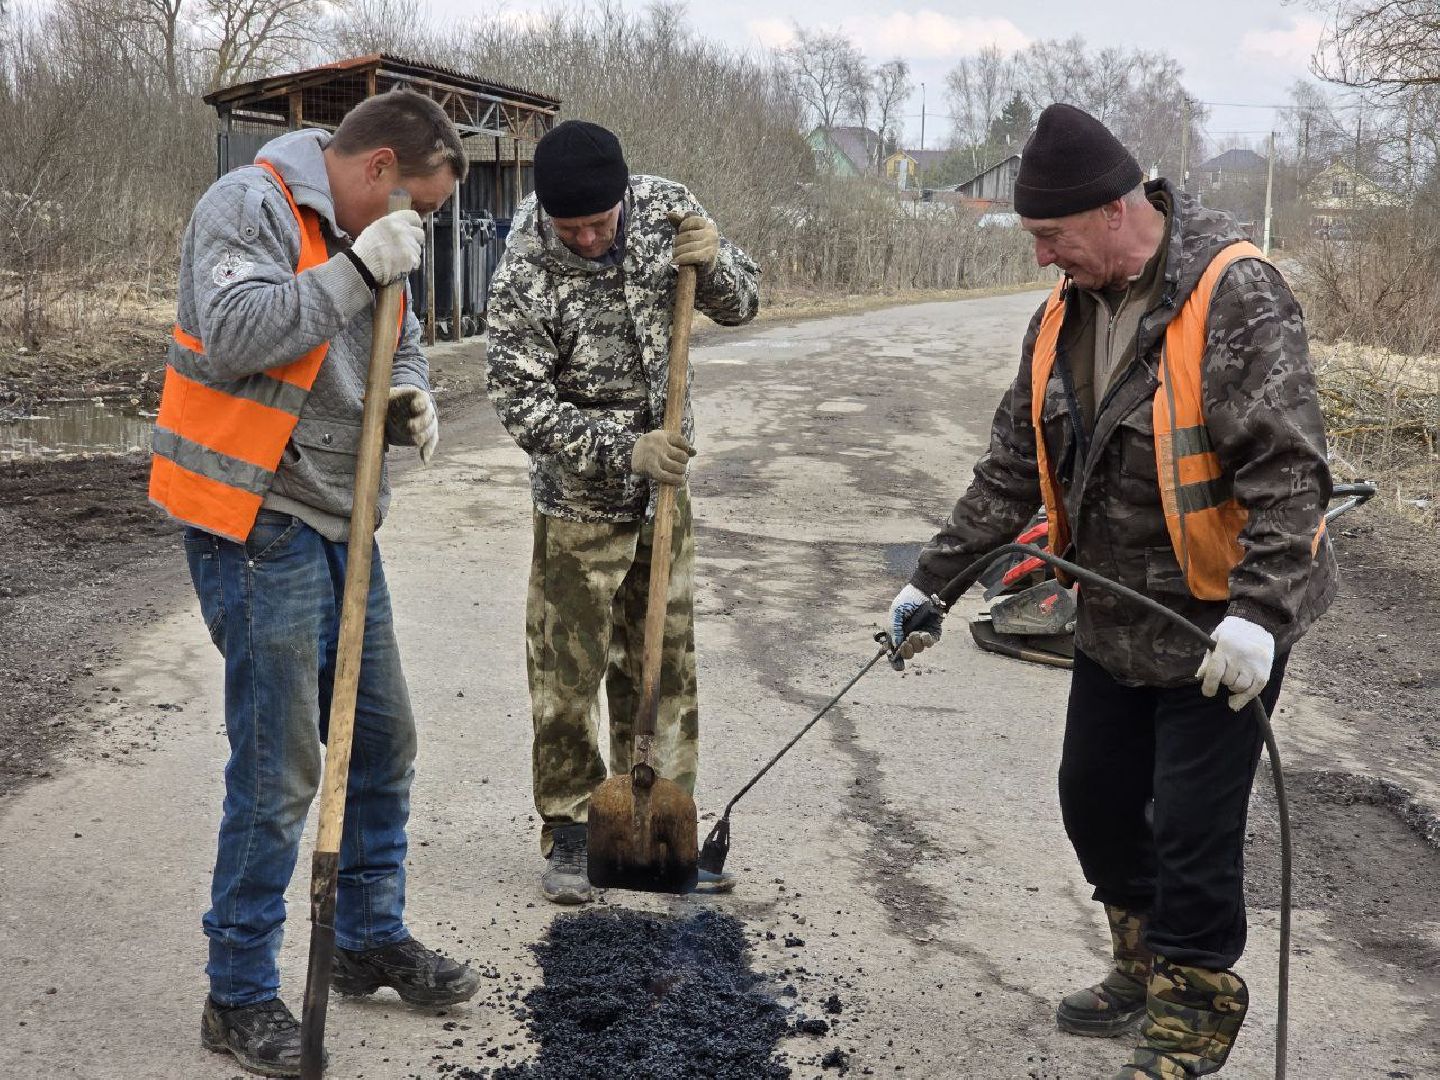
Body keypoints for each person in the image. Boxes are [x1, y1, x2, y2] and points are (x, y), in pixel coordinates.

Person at [887, 103, 1336, 1078]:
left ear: (1115, 210)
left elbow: (1291, 477)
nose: (1044, 257)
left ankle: (1193, 1007)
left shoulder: (1235, 296)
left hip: (1220, 626)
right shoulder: (1061, 317)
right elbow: (1011, 472)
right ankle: (1141, 961)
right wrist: (933, 589)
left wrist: (1260, 618)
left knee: (1189, 824)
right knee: (1092, 799)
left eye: (1052, 236)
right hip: (1114, 617)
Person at [149, 89, 480, 1078]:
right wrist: (352, 272)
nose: (414, 228)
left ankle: (369, 936)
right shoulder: (245, 208)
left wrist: (412, 391)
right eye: (412, 206)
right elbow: (244, 330)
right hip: (255, 522)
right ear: (375, 169)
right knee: (281, 765)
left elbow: (399, 332)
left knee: (382, 738)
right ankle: (239, 994)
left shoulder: (374, 232)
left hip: (346, 521)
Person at [485, 119, 760, 904]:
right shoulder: (523, 272)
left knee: (663, 663)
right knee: (566, 672)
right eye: (569, 227)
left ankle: (660, 827)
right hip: (577, 503)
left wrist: (718, 265)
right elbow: (520, 402)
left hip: (664, 498)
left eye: (599, 224)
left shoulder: (669, 213)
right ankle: (571, 831)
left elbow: (743, 303)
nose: (585, 238)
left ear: (623, 198)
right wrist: (621, 448)